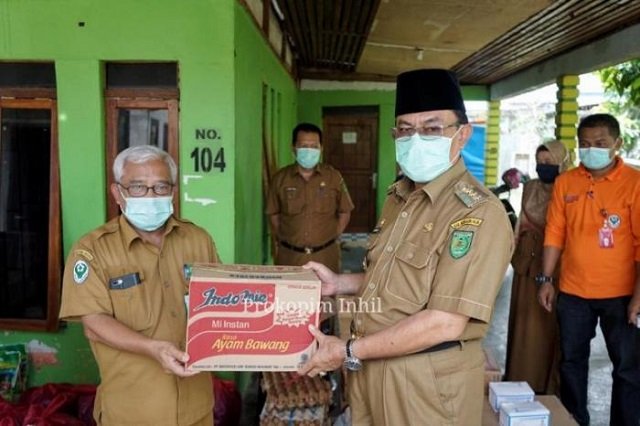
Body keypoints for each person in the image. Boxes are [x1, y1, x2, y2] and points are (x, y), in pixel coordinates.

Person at [298, 69, 513, 425]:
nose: (416, 139)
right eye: (405, 129)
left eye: (431, 129)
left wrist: (347, 350)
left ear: (462, 135)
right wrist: (339, 283)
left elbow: (445, 322)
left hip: (425, 385)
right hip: (370, 368)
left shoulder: (476, 213)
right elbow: (394, 280)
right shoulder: (399, 197)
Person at [59, 145, 219, 426]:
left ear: (173, 191)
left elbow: (223, 303)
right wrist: (153, 349)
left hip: (197, 408)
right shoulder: (92, 250)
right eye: (137, 187)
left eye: (160, 187)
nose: (150, 196)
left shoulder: (198, 239)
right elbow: (93, 324)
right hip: (132, 412)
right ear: (117, 193)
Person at [538, 113, 640, 426]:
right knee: (571, 363)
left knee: (628, 369)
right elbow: (554, 232)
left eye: (599, 143)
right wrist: (546, 279)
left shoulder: (635, 183)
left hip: (621, 295)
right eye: (584, 143)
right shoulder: (566, 182)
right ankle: (574, 420)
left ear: (617, 144)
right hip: (573, 292)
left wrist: (638, 297)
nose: (591, 149)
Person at [505, 140, 571, 395]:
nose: (543, 166)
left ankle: (546, 386)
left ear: (562, 162)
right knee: (522, 323)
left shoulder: (570, 189)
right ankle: (518, 379)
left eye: (549, 162)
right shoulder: (530, 187)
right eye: (540, 162)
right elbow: (519, 225)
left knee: (546, 326)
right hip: (526, 262)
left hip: (555, 265)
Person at [266, 123, 354, 273]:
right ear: (293, 148)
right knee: (289, 289)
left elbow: (345, 211)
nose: (309, 151)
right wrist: (288, 237)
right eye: (304, 146)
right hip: (290, 258)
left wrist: (332, 236)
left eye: (314, 146)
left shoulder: (333, 177)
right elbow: (274, 214)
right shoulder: (280, 179)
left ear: (321, 148)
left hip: (326, 256)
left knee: (326, 289)